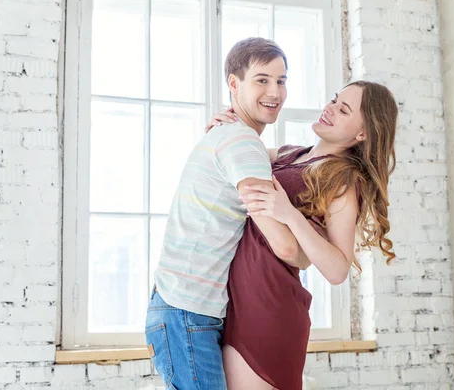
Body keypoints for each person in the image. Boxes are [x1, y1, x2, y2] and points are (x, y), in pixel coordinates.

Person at [207, 80, 398, 389]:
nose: (330, 109)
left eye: (343, 109)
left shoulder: (342, 179)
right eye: (334, 100)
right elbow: (236, 158)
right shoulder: (291, 154)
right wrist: (223, 127)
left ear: (362, 134)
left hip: (268, 308)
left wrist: (289, 214)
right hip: (236, 301)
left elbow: (337, 269)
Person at [145, 37, 305, 389]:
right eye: (262, 80)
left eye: (281, 80)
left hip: (184, 308)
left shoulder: (238, 139)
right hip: (186, 310)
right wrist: (317, 255)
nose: (275, 92)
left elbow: (267, 155)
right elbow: (287, 247)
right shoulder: (240, 142)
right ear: (234, 84)